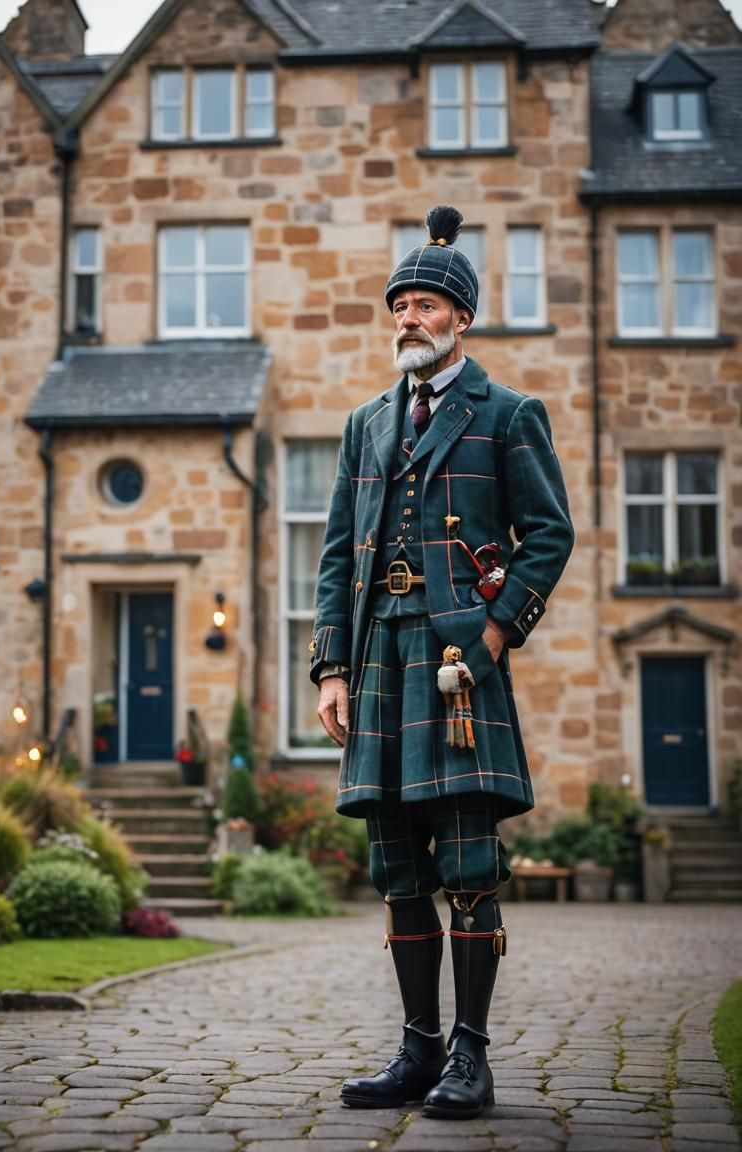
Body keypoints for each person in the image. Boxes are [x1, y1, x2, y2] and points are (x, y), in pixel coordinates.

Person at [310, 205, 574, 1120]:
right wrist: (330, 668)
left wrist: (500, 633)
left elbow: (550, 534)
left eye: (425, 304)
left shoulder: (507, 414)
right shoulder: (365, 425)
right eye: (399, 305)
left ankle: (471, 1054)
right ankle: (417, 1049)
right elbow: (338, 554)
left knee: (467, 861)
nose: (407, 319)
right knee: (396, 864)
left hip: (462, 658)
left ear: (461, 318)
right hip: (382, 656)